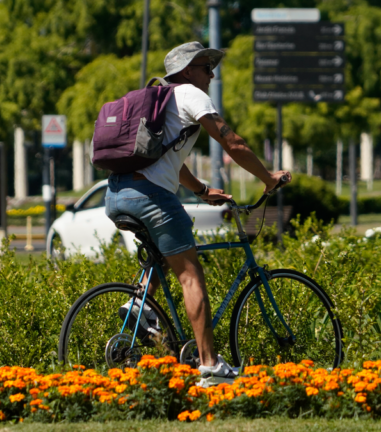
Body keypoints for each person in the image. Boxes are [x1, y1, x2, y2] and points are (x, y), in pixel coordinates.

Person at [105, 41, 291, 386]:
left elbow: (167, 160)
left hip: (116, 194)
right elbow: (232, 143)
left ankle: (138, 306)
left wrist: (202, 191)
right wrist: (268, 178)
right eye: (207, 67)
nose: (212, 73)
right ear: (187, 71)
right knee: (191, 276)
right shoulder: (191, 95)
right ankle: (210, 366)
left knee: (166, 250)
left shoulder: (160, 100)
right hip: (150, 197)